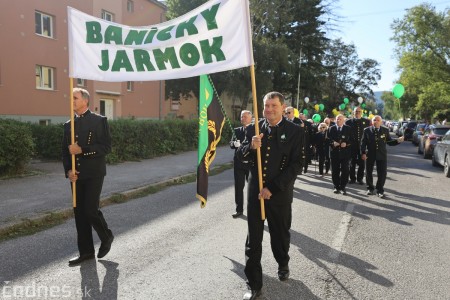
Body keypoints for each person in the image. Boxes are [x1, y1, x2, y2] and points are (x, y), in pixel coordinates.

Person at [237, 92, 303, 300]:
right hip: (256, 192)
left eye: (274, 105)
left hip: (279, 194)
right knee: (253, 241)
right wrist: (250, 146)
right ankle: (254, 285)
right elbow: (240, 156)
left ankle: (282, 262)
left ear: (283, 107)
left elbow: (297, 165)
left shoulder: (295, 131)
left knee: (279, 236)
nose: (269, 109)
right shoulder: (254, 129)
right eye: (266, 105)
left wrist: (273, 187)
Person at [62, 88, 114, 266]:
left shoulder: (99, 121)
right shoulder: (68, 124)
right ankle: (86, 252)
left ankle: (106, 236)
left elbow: (106, 147)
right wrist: (68, 171)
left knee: (90, 209)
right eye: (71, 98)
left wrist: (82, 150)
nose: (72, 101)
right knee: (79, 214)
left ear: (85, 101)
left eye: (75, 98)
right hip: (76, 176)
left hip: (93, 173)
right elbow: (65, 152)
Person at [361, 115, 404, 198]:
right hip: (370, 154)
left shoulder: (385, 130)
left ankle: (380, 189)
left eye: (378, 120)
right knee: (368, 172)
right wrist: (363, 153)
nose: (376, 121)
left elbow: (389, 142)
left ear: (381, 122)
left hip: (381, 154)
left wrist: (398, 140)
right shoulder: (367, 130)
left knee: (382, 173)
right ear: (372, 122)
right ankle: (370, 188)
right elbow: (363, 143)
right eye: (374, 120)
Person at [230, 110, 252, 218]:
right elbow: (231, 144)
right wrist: (234, 143)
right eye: (241, 116)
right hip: (239, 164)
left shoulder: (254, 129)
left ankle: (253, 209)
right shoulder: (236, 130)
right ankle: (239, 210)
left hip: (251, 164)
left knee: (252, 188)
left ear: (250, 118)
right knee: (239, 187)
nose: (242, 118)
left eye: (245, 117)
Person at [328, 114, 352, 195]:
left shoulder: (348, 128)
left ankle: (343, 187)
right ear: (335, 120)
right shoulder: (331, 128)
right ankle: (336, 187)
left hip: (345, 154)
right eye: (337, 119)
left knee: (345, 170)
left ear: (344, 120)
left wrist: (346, 143)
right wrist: (332, 143)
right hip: (334, 153)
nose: (338, 120)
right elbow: (328, 139)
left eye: (340, 119)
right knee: (335, 171)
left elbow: (352, 140)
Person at [345, 107, 370, 184]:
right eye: (356, 111)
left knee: (362, 163)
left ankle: (360, 178)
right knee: (352, 162)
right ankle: (352, 178)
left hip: (362, 145)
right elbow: (346, 134)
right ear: (353, 112)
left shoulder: (366, 121)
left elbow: (368, 134)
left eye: (359, 111)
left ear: (361, 112)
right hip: (352, 145)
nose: (358, 112)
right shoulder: (348, 122)